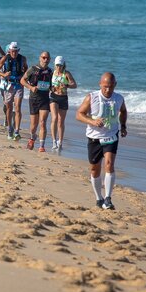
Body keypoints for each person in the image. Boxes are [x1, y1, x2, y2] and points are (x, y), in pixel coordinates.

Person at [75, 72, 128, 210]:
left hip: (111, 136)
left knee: (109, 164)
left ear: (115, 85)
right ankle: (99, 198)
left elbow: (123, 111)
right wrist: (92, 121)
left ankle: (108, 198)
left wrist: (123, 126)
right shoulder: (91, 97)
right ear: (100, 85)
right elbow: (79, 114)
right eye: (105, 87)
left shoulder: (119, 98)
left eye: (110, 86)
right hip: (94, 137)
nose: (108, 90)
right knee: (94, 169)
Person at [21, 51, 53, 152]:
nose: (45, 60)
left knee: (43, 122)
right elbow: (22, 80)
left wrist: (54, 89)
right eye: (44, 58)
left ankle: (42, 146)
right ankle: (32, 138)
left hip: (45, 99)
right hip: (34, 99)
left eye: (47, 58)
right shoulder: (33, 69)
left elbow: (52, 86)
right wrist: (31, 87)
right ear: (40, 58)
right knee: (34, 125)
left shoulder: (50, 71)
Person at [0, 42, 27, 140]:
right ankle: (10, 129)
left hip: (18, 85)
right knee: (9, 108)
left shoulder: (22, 59)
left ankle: (17, 131)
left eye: (16, 51)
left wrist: (24, 77)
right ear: (9, 50)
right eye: (12, 51)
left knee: (17, 108)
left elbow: (26, 70)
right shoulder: (5, 58)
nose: (14, 53)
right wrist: (4, 75)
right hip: (8, 86)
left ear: (18, 50)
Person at [49, 55, 78, 153]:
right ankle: (53, 141)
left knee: (61, 121)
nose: (59, 67)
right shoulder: (52, 73)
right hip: (53, 97)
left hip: (63, 98)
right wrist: (51, 88)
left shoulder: (66, 74)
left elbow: (74, 85)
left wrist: (66, 85)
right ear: (54, 65)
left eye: (60, 65)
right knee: (54, 118)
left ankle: (60, 142)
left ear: (63, 65)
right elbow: (48, 84)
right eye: (57, 65)